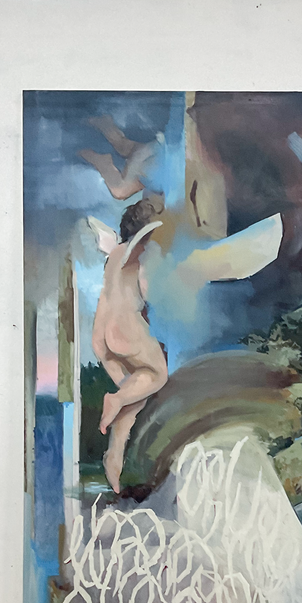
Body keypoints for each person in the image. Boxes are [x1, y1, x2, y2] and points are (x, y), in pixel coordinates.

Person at [88, 199, 169, 493]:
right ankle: (115, 401)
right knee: (157, 374)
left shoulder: (114, 253)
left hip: (101, 336)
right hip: (124, 329)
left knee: (135, 394)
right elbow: (146, 290)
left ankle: (114, 458)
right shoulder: (140, 254)